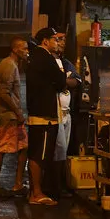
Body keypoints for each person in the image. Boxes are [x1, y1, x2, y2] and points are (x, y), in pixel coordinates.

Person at [25, 27, 67, 205]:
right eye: (54, 39)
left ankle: (36, 191)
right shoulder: (45, 58)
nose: (57, 43)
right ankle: (37, 193)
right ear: (45, 41)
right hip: (43, 115)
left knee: (38, 153)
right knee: (39, 155)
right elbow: (61, 81)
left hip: (39, 111)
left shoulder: (36, 57)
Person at [0, 37, 30, 198]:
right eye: (24, 48)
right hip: (8, 116)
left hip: (12, 115)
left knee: (23, 147)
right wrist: (18, 112)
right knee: (2, 148)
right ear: (15, 49)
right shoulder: (9, 66)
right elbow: (4, 93)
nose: (26, 52)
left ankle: (17, 184)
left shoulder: (12, 65)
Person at [44, 26, 81, 200]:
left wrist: (63, 82)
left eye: (63, 40)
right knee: (56, 150)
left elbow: (76, 81)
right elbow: (57, 83)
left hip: (67, 112)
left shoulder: (66, 63)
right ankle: (53, 186)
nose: (61, 43)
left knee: (63, 149)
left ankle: (59, 184)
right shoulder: (48, 62)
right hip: (54, 112)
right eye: (58, 39)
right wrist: (64, 82)